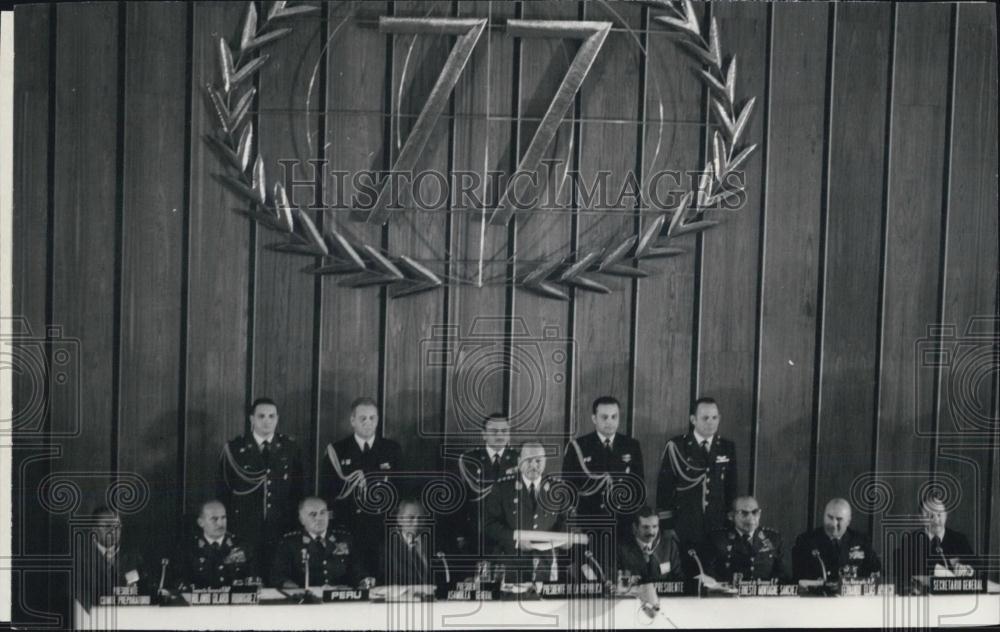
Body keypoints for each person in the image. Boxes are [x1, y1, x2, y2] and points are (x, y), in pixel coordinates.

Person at [217, 397, 305, 567]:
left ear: (277, 418)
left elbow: (298, 490)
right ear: (252, 419)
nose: (267, 421)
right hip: (244, 526)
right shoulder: (234, 448)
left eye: (272, 416)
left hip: (281, 525)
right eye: (261, 416)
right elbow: (223, 490)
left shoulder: (290, 447)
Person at [318, 397, 402, 573]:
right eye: (363, 418)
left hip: (381, 526)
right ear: (352, 421)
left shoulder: (391, 449)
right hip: (347, 525)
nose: (368, 423)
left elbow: (400, 489)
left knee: (380, 575)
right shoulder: (337, 450)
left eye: (372, 418)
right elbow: (327, 492)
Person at [656, 396, 737, 576]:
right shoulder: (677, 446)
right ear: (693, 419)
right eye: (705, 418)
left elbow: (731, 489)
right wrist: (667, 526)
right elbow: (664, 490)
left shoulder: (726, 447)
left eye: (715, 418)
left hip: (717, 527)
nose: (711, 422)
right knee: (686, 576)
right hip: (685, 526)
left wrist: (730, 524)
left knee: (715, 577)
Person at [485, 442, 569, 582]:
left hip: (546, 565)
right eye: (528, 460)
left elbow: (568, 520)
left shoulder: (558, 489)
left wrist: (566, 537)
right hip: (511, 563)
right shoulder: (503, 488)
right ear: (519, 461)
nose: (534, 466)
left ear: (545, 462)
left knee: (546, 603)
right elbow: (489, 525)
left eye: (538, 461)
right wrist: (516, 541)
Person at [561, 396, 645, 518]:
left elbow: (639, 486)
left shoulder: (631, 445)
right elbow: (568, 487)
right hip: (588, 518)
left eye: (614, 417)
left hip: (623, 520)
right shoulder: (578, 446)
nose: (609, 422)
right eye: (604, 417)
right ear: (594, 418)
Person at [451, 414, 520, 553]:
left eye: (504, 431)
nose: (499, 435)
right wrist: (460, 534)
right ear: (484, 434)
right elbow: (459, 499)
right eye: (494, 431)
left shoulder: (519, 459)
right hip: (476, 533)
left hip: (508, 534)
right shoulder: (469, 460)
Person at [270, 497, 373, 589]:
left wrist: (364, 582)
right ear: (302, 520)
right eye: (312, 514)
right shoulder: (290, 542)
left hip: (338, 599)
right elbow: (279, 577)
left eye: (323, 512)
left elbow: (359, 572)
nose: (319, 518)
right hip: (305, 601)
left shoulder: (344, 538)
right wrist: (303, 590)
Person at [892, 496, 977, 590]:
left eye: (939, 514)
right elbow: (910, 571)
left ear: (946, 514)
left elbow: (976, 566)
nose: (936, 520)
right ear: (920, 518)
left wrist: (968, 569)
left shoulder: (960, 539)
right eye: (930, 516)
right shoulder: (911, 541)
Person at [74, 507, 149, 611]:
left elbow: (145, 591)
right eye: (108, 526)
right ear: (94, 530)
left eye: (117, 526)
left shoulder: (134, 557)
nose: (113, 531)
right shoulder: (79, 558)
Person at [172, 500, 256, 590]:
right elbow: (180, 582)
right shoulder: (188, 548)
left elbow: (254, 580)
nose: (220, 523)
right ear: (201, 522)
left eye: (223, 518)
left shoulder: (242, 545)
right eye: (214, 519)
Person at [792, 498, 881, 582]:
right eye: (830, 517)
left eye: (839, 519)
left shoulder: (860, 541)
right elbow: (799, 577)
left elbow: (876, 571)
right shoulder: (806, 541)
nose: (833, 524)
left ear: (848, 521)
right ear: (823, 516)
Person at [708, 496, 786, 582]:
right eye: (743, 513)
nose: (750, 517)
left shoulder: (773, 538)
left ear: (759, 514)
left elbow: (782, 574)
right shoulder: (718, 539)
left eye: (755, 512)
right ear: (731, 516)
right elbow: (709, 574)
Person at [616, 506, 683, 585]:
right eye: (645, 527)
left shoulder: (670, 546)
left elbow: (679, 578)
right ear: (634, 528)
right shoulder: (621, 549)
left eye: (655, 526)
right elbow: (613, 579)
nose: (651, 532)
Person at [377, 499, 437, 586]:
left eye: (420, 518)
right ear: (400, 520)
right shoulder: (386, 549)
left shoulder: (435, 544)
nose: (416, 523)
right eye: (411, 518)